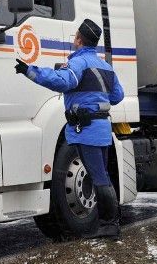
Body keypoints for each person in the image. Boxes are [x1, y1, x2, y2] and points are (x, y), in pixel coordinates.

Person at [14, 18, 125, 239]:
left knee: (98, 177)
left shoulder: (79, 63)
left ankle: (109, 225)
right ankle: (111, 223)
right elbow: (117, 95)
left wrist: (30, 71)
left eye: (76, 35)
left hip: (87, 130)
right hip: (102, 128)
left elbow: (63, 82)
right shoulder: (105, 66)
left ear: (79, 39)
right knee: (101, 175)